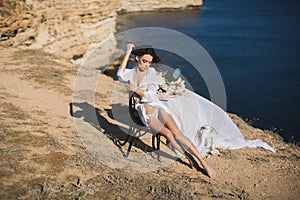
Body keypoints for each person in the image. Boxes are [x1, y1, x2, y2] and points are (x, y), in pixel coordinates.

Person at [117, 43, 217, 178]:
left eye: (149, 62)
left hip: (157, 107)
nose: (146, 65)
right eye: (144, 61)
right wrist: (129, 51)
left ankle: (203, 161)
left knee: (177, 134)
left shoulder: (151, 73)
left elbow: (151, 95)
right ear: (137, 58)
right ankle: (188, 157)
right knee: (168, 134)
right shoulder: (130, 74)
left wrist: (135, 89)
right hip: (145, 114)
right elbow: (120, 74)